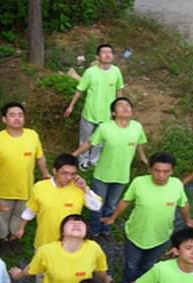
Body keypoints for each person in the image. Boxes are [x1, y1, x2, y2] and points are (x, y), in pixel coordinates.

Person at [101, 151, 192, 283]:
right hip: (135, 235)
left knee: (148, 266)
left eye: (166, 171)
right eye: (157, 170)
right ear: (150, 169)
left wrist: (188, 220)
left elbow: (184, 204)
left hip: (161, 237)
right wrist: (113, 218)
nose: (161, 175)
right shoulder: (139, 182)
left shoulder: (177, 185)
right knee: (131, 266)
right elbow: (126, 201)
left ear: (172, 171)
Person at [72, 96, 148, 237]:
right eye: (121, 105)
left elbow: (139, 143)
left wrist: (143, 158)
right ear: (113, 113)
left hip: (122, 175)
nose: (125, 107)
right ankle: (94, 231)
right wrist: (73, 155)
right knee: (97, 205)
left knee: (111, 206)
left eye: (128, 105)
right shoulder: (105, 127)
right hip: (102, 175)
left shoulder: (137, 127)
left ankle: (105, 230)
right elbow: (89, 143)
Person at [0, 102, 49, 254]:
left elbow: (40, 157)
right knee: (1, 217)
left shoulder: (32, 135)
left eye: (20, 115)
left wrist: (45, 173)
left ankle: (14, 238)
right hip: (3, 189)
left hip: (25, 188)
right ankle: (2, 240)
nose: (17, 118)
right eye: (12, 115)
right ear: (4, 119)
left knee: (20, 216)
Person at [10, 214, 110, 283]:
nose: (77, 223)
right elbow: (31, 269)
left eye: (81, 222)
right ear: (62, 231)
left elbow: (100, 269)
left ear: (86, 232)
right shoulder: (47, 251)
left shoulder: (94, 248)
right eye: (71, 221)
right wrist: (18, 275)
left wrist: (105, 279)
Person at [16, 154, 102, 250]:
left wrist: (84, 188)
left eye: (73, 174)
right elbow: (31, 210)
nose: (69, 177)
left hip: (70, 243)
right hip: (44, 241)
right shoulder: (39, 187)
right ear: (55, 171)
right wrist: (21, 228)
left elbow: (96, 206)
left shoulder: (79, 188)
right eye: (64, 173)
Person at [64, 44, 125, 169]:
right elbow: (80, 90)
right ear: (98, 57)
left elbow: (119, 91)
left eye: (110, 52)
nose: (107, 55)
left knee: (100, 140)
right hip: (89, 112)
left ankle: (94, 160)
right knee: (85, 139)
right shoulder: (90, 72)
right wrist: (71, 106)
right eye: (104, 52)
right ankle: (83, 161)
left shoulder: (116, 71)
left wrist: (120, 109)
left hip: (107, 114)